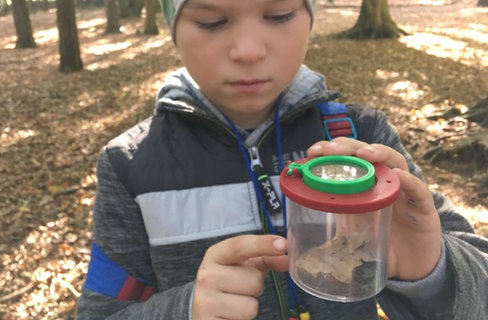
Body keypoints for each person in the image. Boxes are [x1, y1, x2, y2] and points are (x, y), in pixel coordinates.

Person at [76, 0, 488, 319]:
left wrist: (432, 271)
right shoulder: (130, 166)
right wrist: (185, 309)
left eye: (278, 14)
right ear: (173, 30)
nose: (249, 50)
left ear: (309, 17)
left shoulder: (362, 143)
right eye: (211, 22)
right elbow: (103, 310)